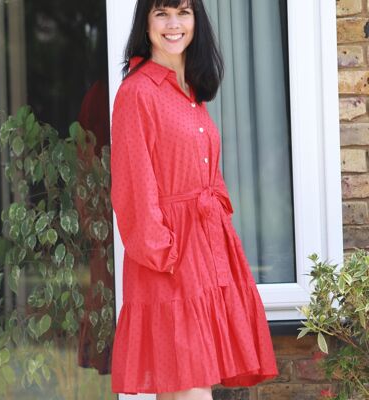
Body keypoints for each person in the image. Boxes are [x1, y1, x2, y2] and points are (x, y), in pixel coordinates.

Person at [110, 0, 279, 399]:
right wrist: (163, 253)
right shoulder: (137, 92)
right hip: (169, 257)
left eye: (183, 13)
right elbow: (133, 185)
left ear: (196, 21)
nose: (173, 24)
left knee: (190, 384)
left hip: (205, 249)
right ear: (145, 23)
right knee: (188, 389)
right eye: (162, 13)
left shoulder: (191, 92)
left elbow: (208, 174)